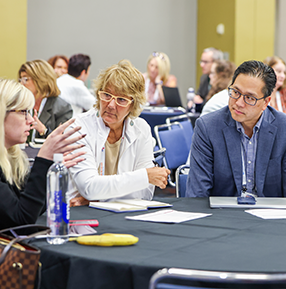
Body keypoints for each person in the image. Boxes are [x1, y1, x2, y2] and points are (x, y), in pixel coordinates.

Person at [0, 78, 85, 231]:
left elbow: (32, 209)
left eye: (30, 112)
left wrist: (49, 172)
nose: (31, 120)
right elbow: (22, 220)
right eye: (23, 112)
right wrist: (43, 160)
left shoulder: (10, 157)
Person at [68, 60, 170, 206]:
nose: (110, 105)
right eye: (107, 95)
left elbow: (145, 193)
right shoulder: (78, 127)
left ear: (133, 104)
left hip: (125, 215)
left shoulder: (141, 129)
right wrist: (144, 176)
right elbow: (89, 187)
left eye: (121, 99)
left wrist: (96, 198)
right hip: (82, 218)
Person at [186, 60, 286, 197]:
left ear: (266, 102)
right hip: (223, 214)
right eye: (235, 92)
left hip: (270, 214)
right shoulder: (208, 127)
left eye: (250, 98)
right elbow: (197, 194)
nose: (238, 103)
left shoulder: (283, 128)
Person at [18, 59, 73, 139]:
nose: (21, 83)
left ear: (40, 80)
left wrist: (43, 130)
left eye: (26, 79)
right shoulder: (19, 104)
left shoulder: (62, 108)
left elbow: (63, 141)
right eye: (21, 79)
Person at [190, 47, 224, 112]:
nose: (201, 65)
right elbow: (199, 97)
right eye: (201, 61)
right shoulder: (204, 78)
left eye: (205, 62)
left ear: (216, 63)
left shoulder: (224, 82)